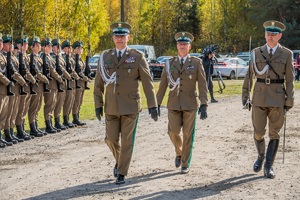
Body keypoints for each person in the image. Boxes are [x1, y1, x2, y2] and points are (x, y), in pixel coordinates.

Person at [94, 22, 158, 184]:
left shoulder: (137, 57)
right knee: (110, 139)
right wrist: (97, 104)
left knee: (127, 141)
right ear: (113, 38)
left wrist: (152, 105)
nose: (120, 39)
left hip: (130, 107)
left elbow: (147, 82)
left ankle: (122, 172)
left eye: (123, 36)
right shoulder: (105, 57)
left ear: (128, 38)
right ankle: (120, 160)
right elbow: (98, 83)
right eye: (117, 36)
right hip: (111, 107)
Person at [242, 20, 294, 179]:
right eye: (267, 33)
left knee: (274, 133)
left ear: (280, 36)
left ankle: (269, 165)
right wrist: (245, 95)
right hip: (258, 97)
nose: (269, 37)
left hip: (277, 98)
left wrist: (289, 100)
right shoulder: (256, 52)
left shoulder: (286, 54)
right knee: (258, 132)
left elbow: (290, 80)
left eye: (273, 34)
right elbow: (249, 76)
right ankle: (261, 156)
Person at [156, 32, 208, 174]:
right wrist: (157, 104)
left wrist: (204, 104)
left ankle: (185, 162)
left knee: (188, 134)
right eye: (180, 44)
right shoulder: (169, 63)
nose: (182, 46)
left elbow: (203, 85)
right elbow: (163, 85)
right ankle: (179, 152)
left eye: (185, 44)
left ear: (189, 46)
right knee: (172, 131)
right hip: (173, 103)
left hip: (190, 104)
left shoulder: (196, 63)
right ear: (177, 46)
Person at [27, 36, 49, 137]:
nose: (39, 46)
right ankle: (32, 128)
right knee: (33, 107)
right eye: (37, 45)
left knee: (37, 107)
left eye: (39, 45)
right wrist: (45, 79)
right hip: (35, 85)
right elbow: (37, 72)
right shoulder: (31, 57)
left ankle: (35, 125)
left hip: (40, 86)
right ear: (32, 46)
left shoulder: (38, 57)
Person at [41, 38, 63, 134]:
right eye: (49, 46)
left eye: (51, 46)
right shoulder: (45, 57)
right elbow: (51, 70)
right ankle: (48, 124)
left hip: (54, 84)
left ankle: (51, 123)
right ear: (44, 47)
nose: (50, 48)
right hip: (49, 84)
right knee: (49, 104)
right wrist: (59, 78)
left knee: (53, 103)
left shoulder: (49, 57)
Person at [52, 38, 72, 130]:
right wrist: (67, 76)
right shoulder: (53, 57)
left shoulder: (60, 57)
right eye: (57, 46)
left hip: (63, 82)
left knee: (61, 102)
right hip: (57, 83)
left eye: (59, 46)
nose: (59, 48)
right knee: (56, 103)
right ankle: (56, 122)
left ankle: (60, 121)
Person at [61, 40, 80, 128]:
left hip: (71, 82)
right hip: (67, 81)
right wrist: (75, 76)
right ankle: (65, 120)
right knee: (67, 101)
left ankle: (68, 119)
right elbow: (69, 69)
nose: (70, 49)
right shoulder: (63, 57)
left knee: (71, 101)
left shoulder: (70, 57)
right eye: (69, 47)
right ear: (65, 48)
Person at [71, 41, 90, 126]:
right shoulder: (73, 59)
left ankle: (77, 116)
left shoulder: (81, 59)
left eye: (81, 48)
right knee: (76, 100)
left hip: (82, 83)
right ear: (74, 50)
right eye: (78, 48)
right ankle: (75, 118)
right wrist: (84, 77)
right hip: (77, 82)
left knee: (80, 100)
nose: (80, 50)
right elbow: (77, 71)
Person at [0, 33, 14, 148]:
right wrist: (7, 81)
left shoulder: (4, 56)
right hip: (1, 87)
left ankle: (1, 136)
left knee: (4, 114)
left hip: (4, 89)